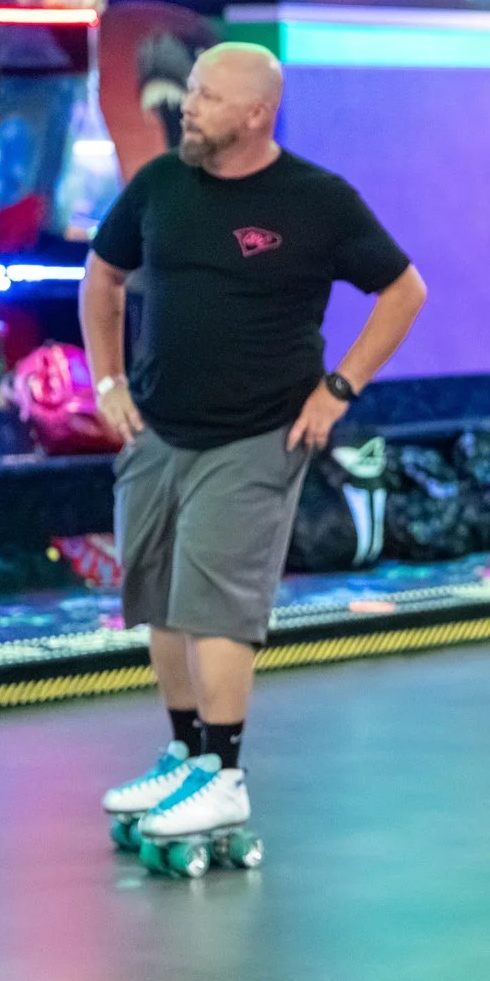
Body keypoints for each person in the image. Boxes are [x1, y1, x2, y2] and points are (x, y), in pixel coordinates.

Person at [87, 44, 425, 855]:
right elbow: (102, 278)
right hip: (158, 430)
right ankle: (185, 753)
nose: (187, 107)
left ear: (255, 113)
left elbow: (402, 290)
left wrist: (337, 388)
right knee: (161, 599)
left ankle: (226, 777)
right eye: (190, 92)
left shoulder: (316, 200)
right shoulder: (161, 185)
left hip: (257, 435)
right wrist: (107, 384)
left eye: (204, 96)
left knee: (214, 604)